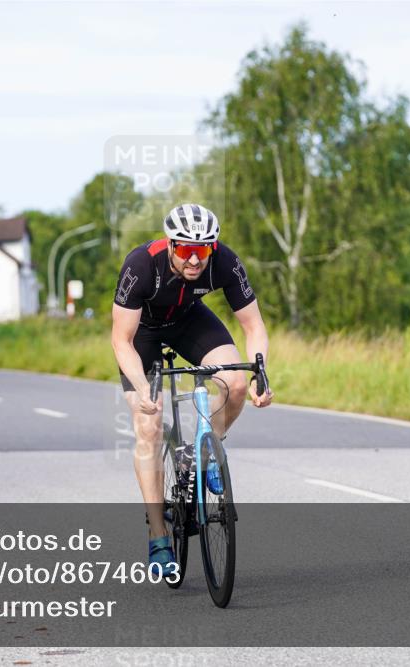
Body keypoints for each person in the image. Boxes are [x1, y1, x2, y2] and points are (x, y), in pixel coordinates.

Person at [111, 203, 274, 576]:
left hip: (188, 321)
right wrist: (141, 387)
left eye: (203, 250)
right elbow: (122, 340)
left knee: (233, 384)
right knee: (149, 425)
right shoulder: (141, 265)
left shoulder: (224, 262)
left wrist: (259, 375)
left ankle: (199, 454)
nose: (195, 259)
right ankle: (158, 536)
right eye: (185, 249)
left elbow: (253, 325)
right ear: (171, 245)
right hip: (144, 335)